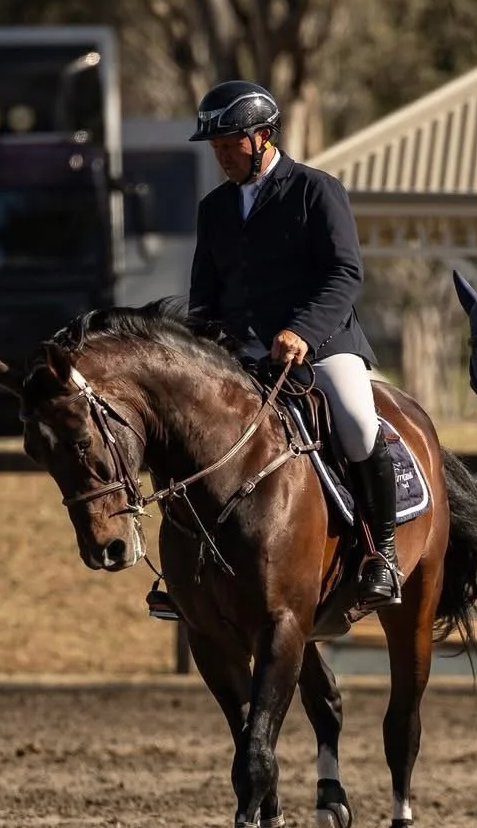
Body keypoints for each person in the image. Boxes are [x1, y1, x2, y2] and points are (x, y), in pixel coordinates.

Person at [145, 79, 400, 619]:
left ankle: (383, 554)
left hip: (322, 343)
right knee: (185, 435)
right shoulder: (214, 208)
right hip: (240, 354)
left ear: (262, 137)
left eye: (227, 145)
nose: (219, 156)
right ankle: (184, 571)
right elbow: (204, 294)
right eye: (213, 147)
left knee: (357, 424)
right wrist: (203, 350)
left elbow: (344, 273)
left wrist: (302, 331)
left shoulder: (315, 189)